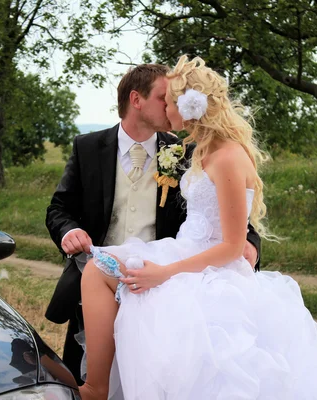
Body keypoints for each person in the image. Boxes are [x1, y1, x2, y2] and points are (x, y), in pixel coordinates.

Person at [78, 55, 317, 400]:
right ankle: (95, 387)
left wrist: (166, 273)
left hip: (210, 268)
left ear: (188, 105)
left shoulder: (229, 157)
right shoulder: (199, 149)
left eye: (168, 100)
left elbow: (233, 246)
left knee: (174, 335)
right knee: (100, 268)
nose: (164, 108)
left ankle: (97, 390)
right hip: (184, 249)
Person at [44, 63, 261, 385]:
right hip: (103, 290)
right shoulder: (87, 147)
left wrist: (251, 246)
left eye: (172, 99)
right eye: (163, 97)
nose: (169, 105)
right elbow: (59, 208)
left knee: (157, 379)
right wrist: (69, 230)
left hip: (166, 286)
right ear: (136, 100)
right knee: (89, 374)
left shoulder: (189, 151)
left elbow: (230, 216)